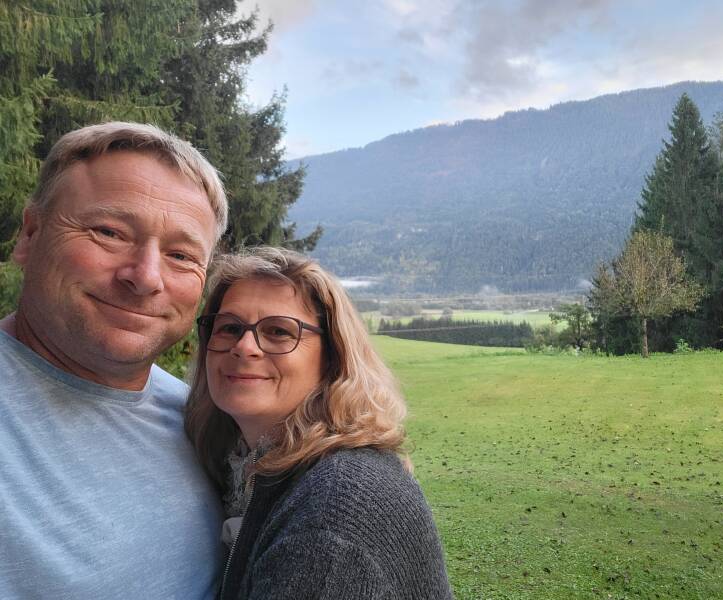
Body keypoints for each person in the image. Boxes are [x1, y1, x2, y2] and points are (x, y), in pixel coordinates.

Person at [0, 122, 229, 599]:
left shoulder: (205, 422)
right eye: (109, 232)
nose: (145, 277)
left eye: (181, 255)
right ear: (30, 234)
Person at [185, 247, 452, 599]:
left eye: (279, 331)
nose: (245, 346)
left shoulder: (331, 513)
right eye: (230, 328)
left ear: (332, 357)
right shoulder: (248, 466)